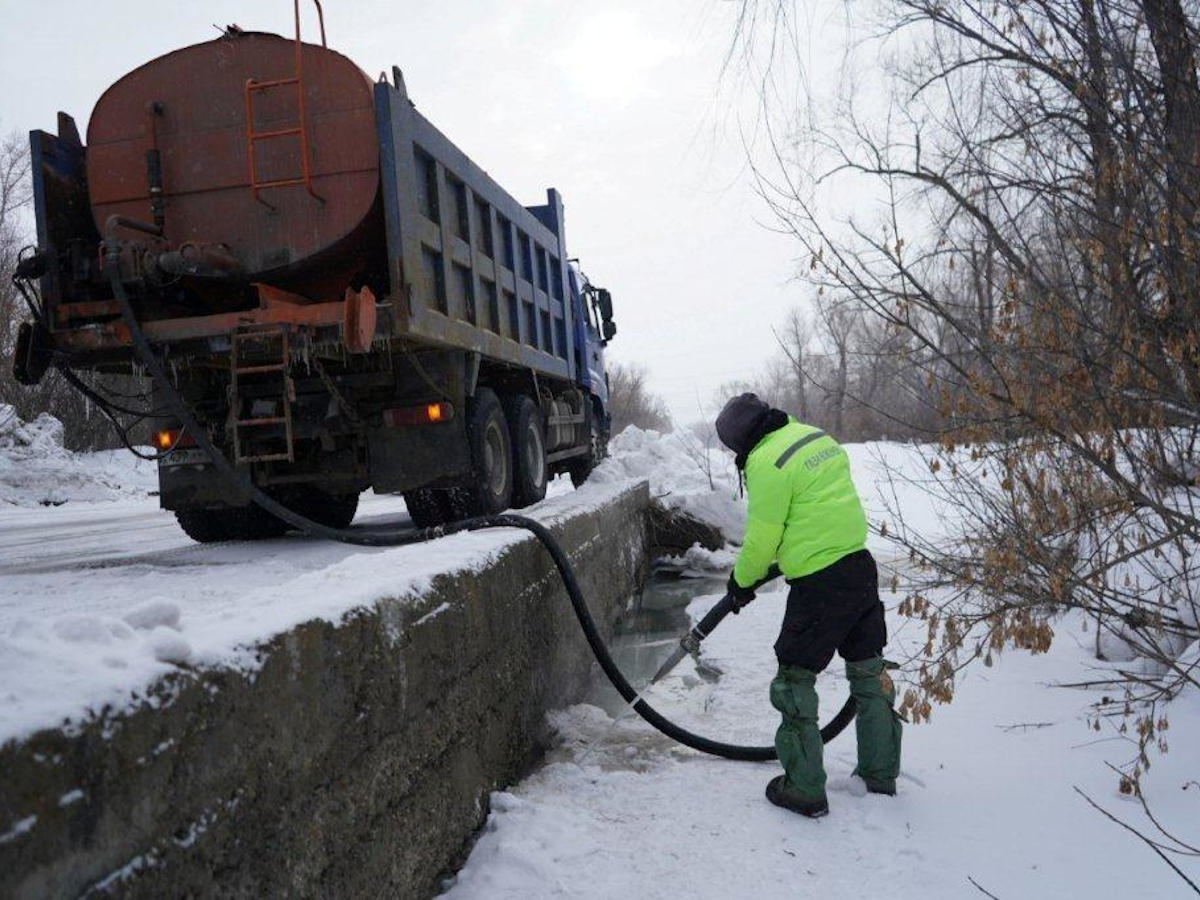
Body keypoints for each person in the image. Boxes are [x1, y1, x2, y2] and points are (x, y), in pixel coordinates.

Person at [714, 392, 901, 818]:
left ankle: (804, 789)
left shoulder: (766, 462)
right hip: (860, 566)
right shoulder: (814, 438)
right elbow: (816, 511)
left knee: (794, 682)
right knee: (870, 676)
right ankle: (880, 775)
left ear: (740, 443)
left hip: (819, 584)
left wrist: (741, 583)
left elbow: (762, 539)